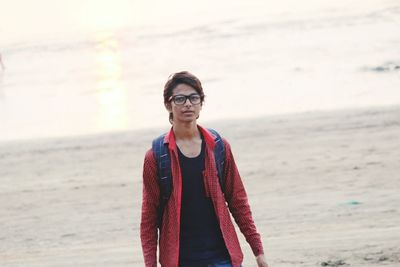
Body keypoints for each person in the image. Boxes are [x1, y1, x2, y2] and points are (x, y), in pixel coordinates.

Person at [140, 71, 269, 267]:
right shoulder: (156, 157)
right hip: (180, 260)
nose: (188, 104)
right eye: (180, 99)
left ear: (201, 103)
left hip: (223, 258)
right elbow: (149, 219)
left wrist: (258, 250)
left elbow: (238, 200)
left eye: (194, 98)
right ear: (168, 104)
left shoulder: (218, 147)